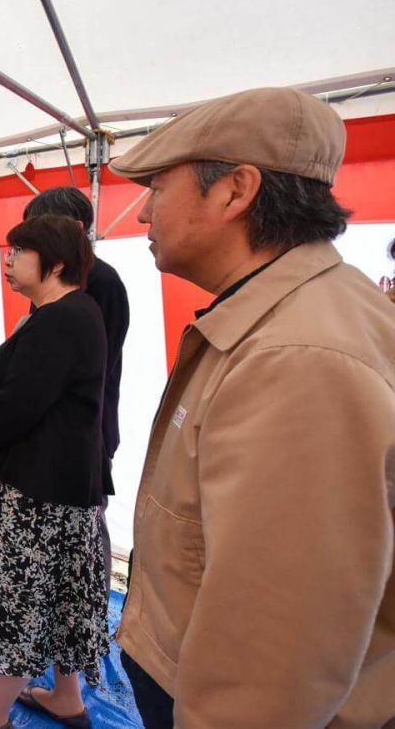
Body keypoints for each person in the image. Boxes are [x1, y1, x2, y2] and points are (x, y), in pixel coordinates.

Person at [109, 87, 395, 727]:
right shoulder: (298, 317)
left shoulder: (298, 357)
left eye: (157, 188)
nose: (142, 215)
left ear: (236, 191)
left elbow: (274, 657)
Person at [0, 215, 108, 729]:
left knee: (20, 599)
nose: (7, 260)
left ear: (52, 262)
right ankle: (67, 698)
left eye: (18, 251)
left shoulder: (59, 318)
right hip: (64, 489)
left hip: (39, 491)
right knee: (59, 596)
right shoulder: (76, 311)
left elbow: (20, 403)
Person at [24, 187, 129, 590]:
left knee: (84, 530)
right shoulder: (58, 278)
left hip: (86, 428)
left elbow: (84, 366)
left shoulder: (100, 282)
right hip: (55, 428)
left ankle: (88, 612)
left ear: (76, 228)